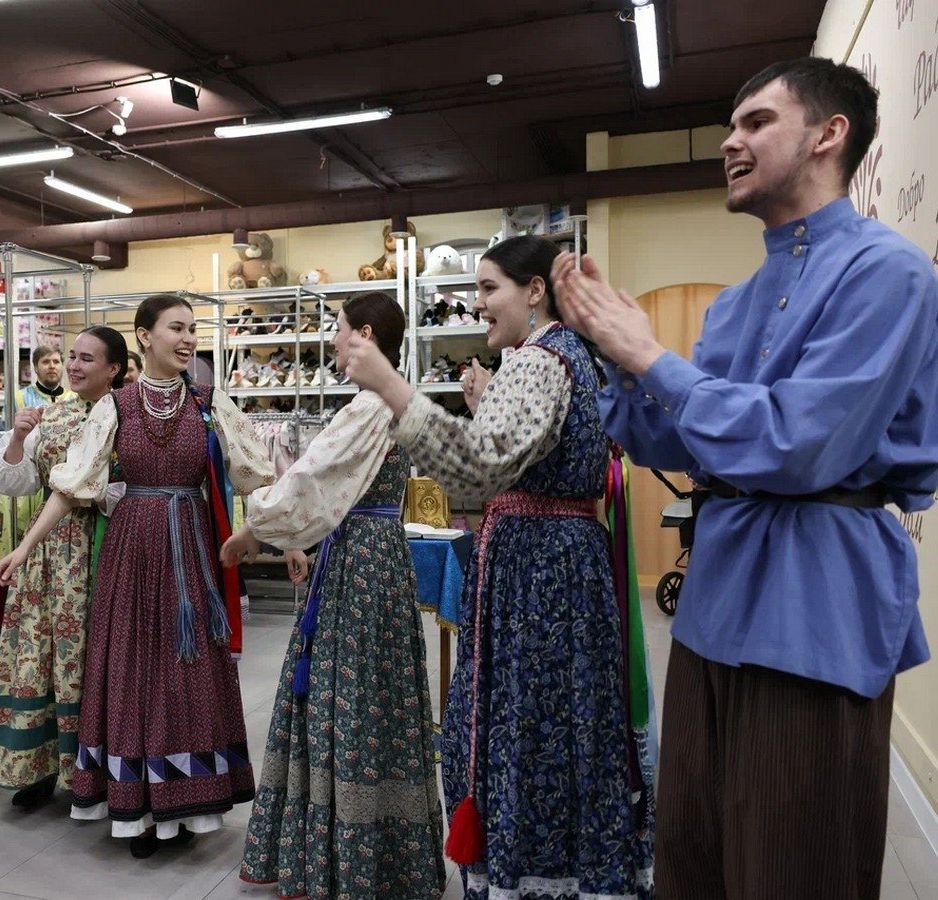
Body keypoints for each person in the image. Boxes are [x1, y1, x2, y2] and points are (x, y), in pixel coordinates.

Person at [552, 56, 938, 898]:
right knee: (693, 856)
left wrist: (651, 353)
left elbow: (800, 446)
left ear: (828, 135)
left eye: (757, 121)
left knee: (795, 862)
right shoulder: (735, 303)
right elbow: (678, 442)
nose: (730, 141)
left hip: (817, 610)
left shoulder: (888, 272)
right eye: (733, 125)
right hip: (714, 608)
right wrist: (610, 352)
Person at [345, 236, 654, 899]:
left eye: (490, 288)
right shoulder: (563, 357)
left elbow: (480, 467)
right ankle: (572, 868)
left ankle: (531, 873)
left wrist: (393, 387)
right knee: (560, 720)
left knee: (529, 723)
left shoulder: (542, 360)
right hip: (551, 563)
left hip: (538, 573)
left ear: (535, 291)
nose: (478, 303)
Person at [0, 294, 274, 858]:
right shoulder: (115, 406)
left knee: (185, 669)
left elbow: (256, 477)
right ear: (145, 337)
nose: (188, 336)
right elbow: (72, 486)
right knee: (133, 671)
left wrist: (279, 536)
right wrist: (23, 548)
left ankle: (187, 804)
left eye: (193, 328)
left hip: (189, 550)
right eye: (176, 327)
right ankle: (141, 808)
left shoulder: (211, 403)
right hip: (130, 550)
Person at [221, 292, 447, 899]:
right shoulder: (393, 401)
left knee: (345, 694)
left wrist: (253, 528)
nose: (332, 339)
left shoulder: (369, 407)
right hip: (378, 554)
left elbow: (310, 479)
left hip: (358, 562)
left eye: (339, 329)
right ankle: (387, 853)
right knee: (376, 692)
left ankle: (344, 858)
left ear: (364, 334)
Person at [0, 326, 128, 810]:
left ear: (114, 368)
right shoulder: (53, 413)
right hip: (48, 551)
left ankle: (95, 774)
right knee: (38, 655)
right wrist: (20, 437)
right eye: (72, 356)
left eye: (88, 359)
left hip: (106, 545)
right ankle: (38, 769)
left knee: (92, 657)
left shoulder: (127, 413)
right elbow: (13, 481)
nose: (74, 366)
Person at [16, 344, 64, 409]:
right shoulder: (20, 398)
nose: (52, 366)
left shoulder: (75, 398)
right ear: (36, 368)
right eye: (46, 362)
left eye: (56, 362)